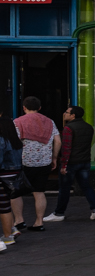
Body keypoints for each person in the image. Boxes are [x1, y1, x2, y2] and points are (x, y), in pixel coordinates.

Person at [43, 106, 95, 222]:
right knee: (86, 186)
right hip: (85, 162)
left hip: (71, 163)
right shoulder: (89, 127)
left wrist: (63, 165)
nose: (64, 113)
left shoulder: (69, 128)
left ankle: (59, 213)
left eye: (67, 112)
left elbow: (66, 148)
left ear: (73, 115)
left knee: (64, 188)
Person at [12, 97, 60, 233]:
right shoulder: (50, 122)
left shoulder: (17, 122)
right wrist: (54, 158)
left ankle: (19, 220)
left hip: (25, 162)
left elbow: (14, 142)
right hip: (44, 162)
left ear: (24, 108)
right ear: (39, 108)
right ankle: (39, 222)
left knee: (15, 193)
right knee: (39, 192)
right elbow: (58, 141)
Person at [0, 114, 22, 248]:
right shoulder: (16, 141)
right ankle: (12, 230)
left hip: (3, 177)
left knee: (4, 208)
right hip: (14, 177)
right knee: (6, 205)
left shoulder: (2, 140)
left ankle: (8, 236)